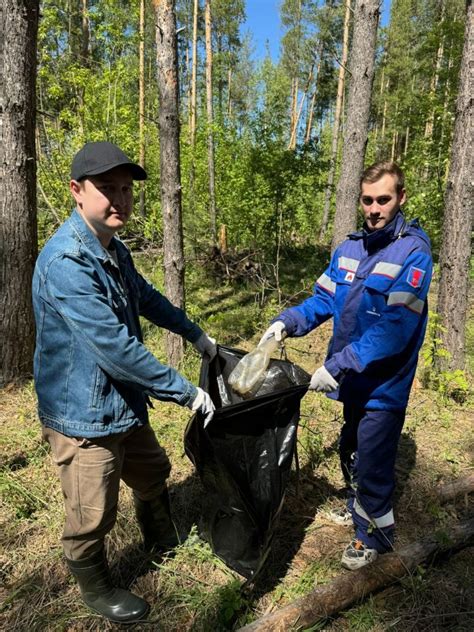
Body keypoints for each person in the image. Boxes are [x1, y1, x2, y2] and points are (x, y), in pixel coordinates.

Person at [32, 141, 217, 623]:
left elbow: (146, 299)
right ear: (77, 191)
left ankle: (160, 533)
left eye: (125, 189)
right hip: (82, 412)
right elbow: (115, 349)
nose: (119, 199)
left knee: (152, 470)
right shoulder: (67, 262)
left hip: (120, 401)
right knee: (92, 512)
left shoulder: (114, 249)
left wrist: (194, 334)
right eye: (106, 188)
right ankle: (96, 588)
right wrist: (186, 391)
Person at [259, 161, 433, 570]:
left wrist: (337, 366)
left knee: (372, 456)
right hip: (353, 379)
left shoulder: (414, 252)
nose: (374, 209)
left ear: (400, 198)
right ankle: (357, 506)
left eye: (383, 200)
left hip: (383, 384)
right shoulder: (350, 248)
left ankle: (372, 534)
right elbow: (322, 300)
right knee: (351, 446)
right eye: (368, 200)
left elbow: (397, 326)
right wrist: (287, 322)